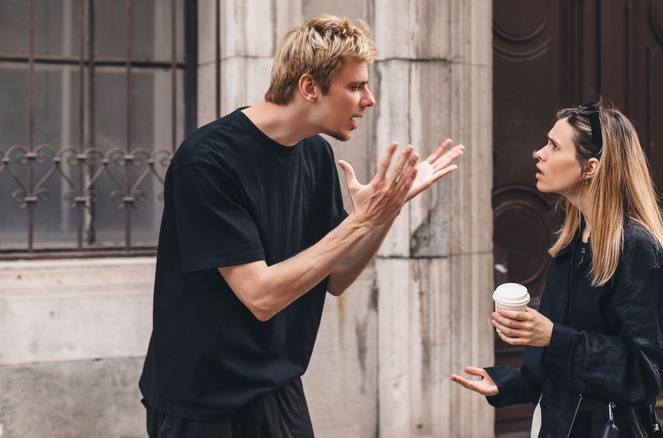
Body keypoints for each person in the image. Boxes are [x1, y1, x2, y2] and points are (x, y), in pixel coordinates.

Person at [139, 15, 464, 437]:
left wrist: (388, 209)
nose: (369, 100)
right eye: (355, 86)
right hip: (202, 401)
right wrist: (363, 218)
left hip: (278, 386)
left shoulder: (315, 156)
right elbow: (260, 295)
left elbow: (336, 277)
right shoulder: (207, 161)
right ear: (309, 87)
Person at [450, 102, 663, 437]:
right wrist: (511, 383)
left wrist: (552, 337)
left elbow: (644, 374)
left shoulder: (636, 248)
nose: (539, 153)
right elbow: (563, 359)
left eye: (554, 146)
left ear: (589, 168)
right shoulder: (573, 244)